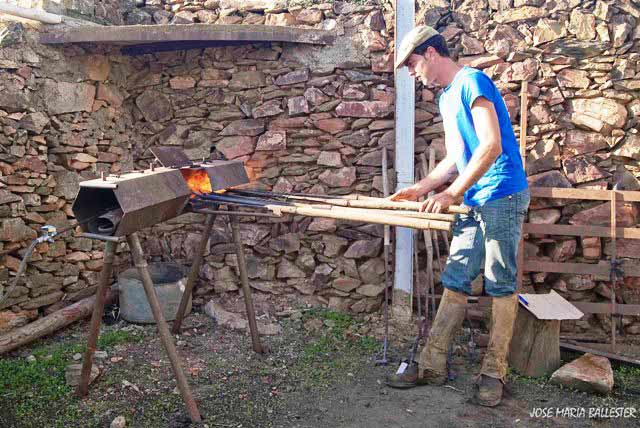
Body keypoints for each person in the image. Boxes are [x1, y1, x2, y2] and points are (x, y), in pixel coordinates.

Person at [385, 25, 530, 407]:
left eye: (414, 64)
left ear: (432, 53)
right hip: (474, 198)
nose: (414, 74)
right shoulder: (447, 97)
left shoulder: (472, 82)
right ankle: (432, 363)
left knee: (500, 282)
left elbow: (491, 145)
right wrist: (423, 186)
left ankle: (493, 373)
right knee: (457, 275)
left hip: (502, 194)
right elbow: (455, 157)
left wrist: (452, 193)